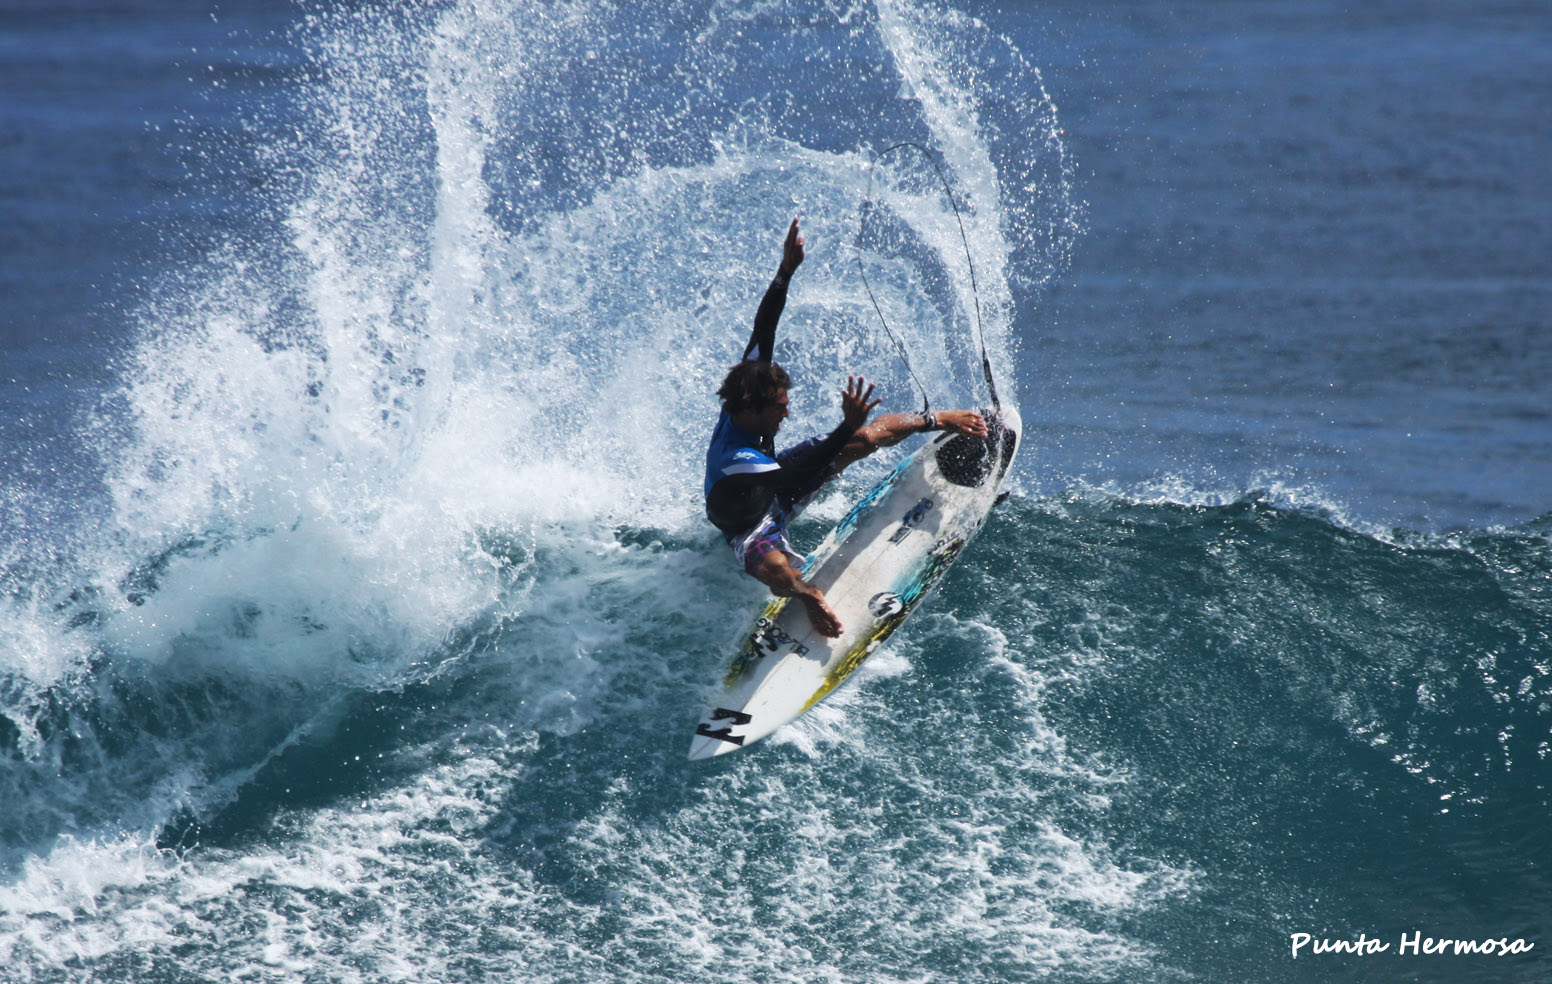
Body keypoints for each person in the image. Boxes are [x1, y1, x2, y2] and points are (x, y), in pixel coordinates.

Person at [704, 218, 988, 638]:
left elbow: (764, 325)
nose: (786, 414)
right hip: (750, 522)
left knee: (864, 437)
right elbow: (798, 475)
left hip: (776, 481)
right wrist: (842, 428)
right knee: (775, 571)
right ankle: (809, 597)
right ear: (754, 410)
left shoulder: (751, 382)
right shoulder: (734, 459)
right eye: (779, 409)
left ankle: (934, 418)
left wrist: (786, 271)